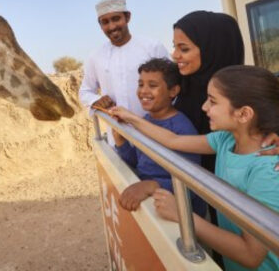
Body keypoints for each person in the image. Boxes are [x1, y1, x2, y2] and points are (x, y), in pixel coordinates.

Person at [110, 65, 279, 271]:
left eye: (213, 101)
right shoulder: (225, 140)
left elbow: (251, 255)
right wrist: (132, 119)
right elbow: (173, 140)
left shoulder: (269, 171)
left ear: (243, 114)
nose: (204, 107)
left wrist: (182, 215)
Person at [113, 58, 206, 217]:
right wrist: (121, 143)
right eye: (141, 84)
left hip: (181, 220)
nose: (143, 91)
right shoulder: (146, 121)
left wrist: (151, 186)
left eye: (153, 85)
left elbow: (192, 186)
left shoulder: (182, 129)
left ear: (173, 91)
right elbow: (140, 163)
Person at [79, 0, 168, 146]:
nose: (112, 26)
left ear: (127, 17)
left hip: (155, 135)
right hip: (118, 138)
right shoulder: (95, 56)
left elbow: (173, 84)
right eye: (105, 22)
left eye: (116, 19)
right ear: (100, 25)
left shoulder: (152, 46)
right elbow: (85, 92)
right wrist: (96, 101)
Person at [172, 10, 245, 173]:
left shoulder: (246, 93)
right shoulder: (179, 83)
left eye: (184, 49)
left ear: (212, 48)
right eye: (174, 46)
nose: (175, 55)